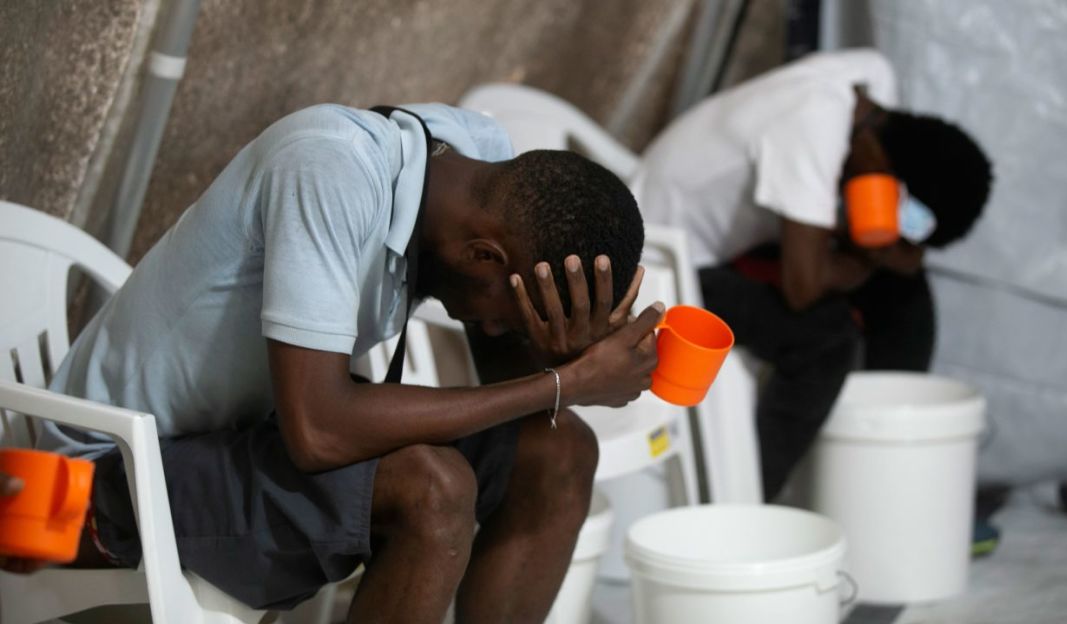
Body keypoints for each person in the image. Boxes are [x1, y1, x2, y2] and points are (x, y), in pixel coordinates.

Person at [23, 102, 660, 623]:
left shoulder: (481, 161)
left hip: (242, 442)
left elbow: (505, 387)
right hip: (99, 479)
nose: (495, 328)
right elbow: (319, 431)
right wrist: (566, 381)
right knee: (433, 490)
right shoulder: (329, 168)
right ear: (486, 256)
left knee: (559, 450)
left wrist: (556, 358)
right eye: (508, 312)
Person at [631, 49, 993, 501]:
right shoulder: (812, 128)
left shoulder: (871, 87)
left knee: (906, 294)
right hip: (662, 261)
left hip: (735, 237)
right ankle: (747, 505)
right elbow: (802, 289)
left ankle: (894, 475)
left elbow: (882, 252)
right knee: (825, 337)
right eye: (900, 214)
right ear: (884, 172)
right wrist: (874, 255)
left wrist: (887, 251)